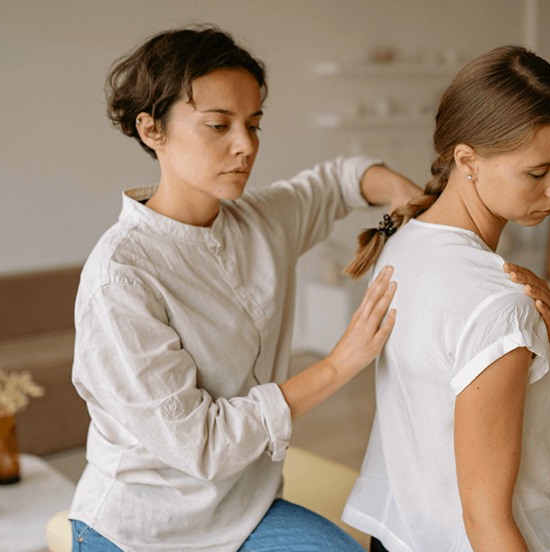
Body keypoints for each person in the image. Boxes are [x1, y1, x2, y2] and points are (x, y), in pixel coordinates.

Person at [67, 25, 422, 552]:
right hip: (142, 530)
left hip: (246, 511)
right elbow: (203, 444)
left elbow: (340, 179)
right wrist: (340, 361)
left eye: (253, 124)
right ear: (151, 130)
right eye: (218, 125)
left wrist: (401, 192)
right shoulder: (120, 277)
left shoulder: (259, 220)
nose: (245, 146)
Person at [341, 46, 550, 552]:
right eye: (539, 172)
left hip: (398, 533)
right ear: (467, 160)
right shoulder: (499, 304)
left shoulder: (403, 240)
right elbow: (485, 523)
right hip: (463, 541)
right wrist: (523, 327)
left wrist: (547, 341)